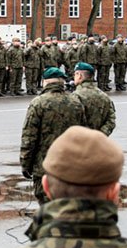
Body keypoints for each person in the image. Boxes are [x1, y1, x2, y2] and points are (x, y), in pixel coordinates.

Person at [20, 66, 85, 203]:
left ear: (45, 82)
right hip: (70, 164)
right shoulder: (75, 102)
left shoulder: (38, 103)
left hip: (45, 165)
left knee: (48, 205)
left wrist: (25, 164)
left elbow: (29, 138)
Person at [71, 61, 116, 135]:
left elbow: (72, 121)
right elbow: (111, 119)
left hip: (80, 141)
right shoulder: (104, 96)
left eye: (75, 74)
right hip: (99, 142)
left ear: (79, 76)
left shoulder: (75, 96)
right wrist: (100, 135)